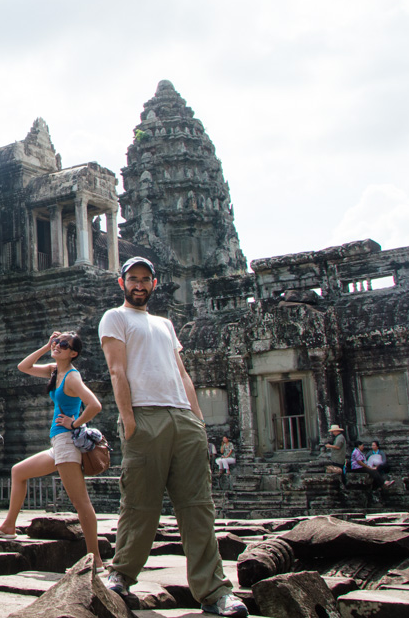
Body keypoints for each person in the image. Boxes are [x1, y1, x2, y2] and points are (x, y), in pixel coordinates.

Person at [101, 257, 246, 617]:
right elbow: (117, 370)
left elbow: (182, 375)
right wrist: (129, 421)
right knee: (139, 504)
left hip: (183, 419)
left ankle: (214, 592)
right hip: (144, 416)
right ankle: (121, 574)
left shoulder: (165, 324)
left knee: (198, 508)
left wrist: (197, 421)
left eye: (145, 279)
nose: (139, 285)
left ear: (154, 283)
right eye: (132, 279)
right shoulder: (114, 317)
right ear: (122, 284)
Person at [0, 331, 104, 572]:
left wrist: (74, 422)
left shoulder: (72, 377)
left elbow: (95, 404)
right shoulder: (54, 370)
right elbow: (24, 366)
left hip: (66, 442)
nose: (58, 346)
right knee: (18, 471)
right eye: (57, 343)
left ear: (74, 353)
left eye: (64, 345)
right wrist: (45, 346)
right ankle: (9, 526)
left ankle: (96, 560)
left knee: (81, 503)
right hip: (58, 444)